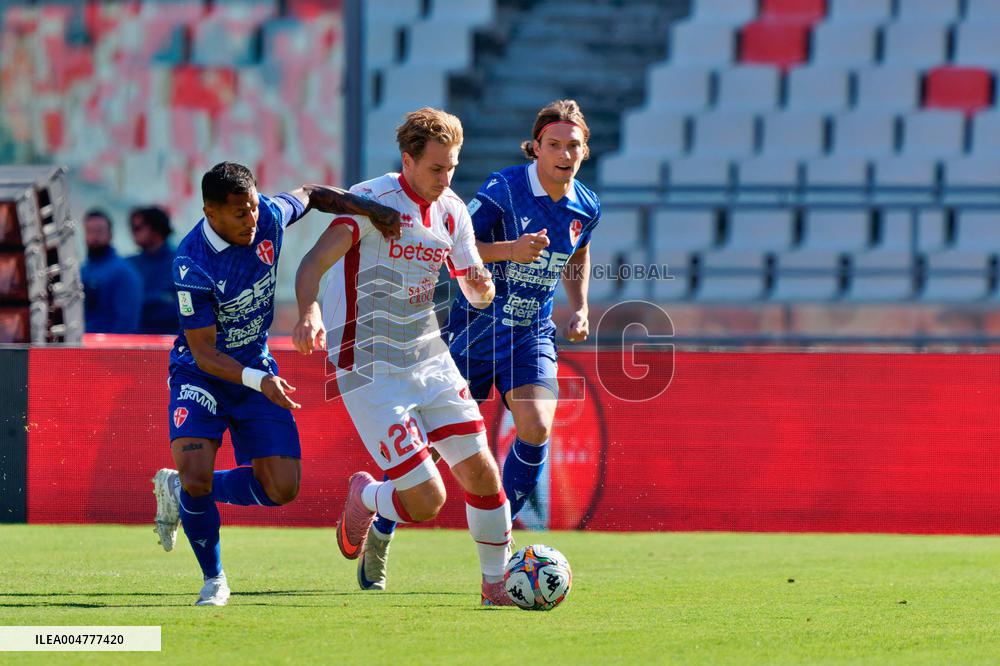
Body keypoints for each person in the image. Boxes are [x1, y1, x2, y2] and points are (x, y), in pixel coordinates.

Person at [360, 100, 600, 591]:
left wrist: (580, 305)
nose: (564, 153)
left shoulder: (586, 205)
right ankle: (381, 526)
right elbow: (450, 242)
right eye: (554, 144)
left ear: (585, 150)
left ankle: (502, 550)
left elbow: (578, 251)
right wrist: (508, 251)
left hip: (529, 332)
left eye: (573, 145)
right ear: (536, 147)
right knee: (425, 452)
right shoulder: (504, 189)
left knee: (534, 425)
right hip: (472, 330)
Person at [292, 108, 515, 606]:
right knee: (426, 500)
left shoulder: (454, 211)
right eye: (436, 169)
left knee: (482, 471)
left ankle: (495, 584)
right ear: (407, 160)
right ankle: (366, 495)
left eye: (452, 167)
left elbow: (475, 286)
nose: (445, 178)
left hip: (428, 355)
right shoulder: (372, 202)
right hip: (367, 364)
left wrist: (481, 287)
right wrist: (309, 311)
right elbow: (314, 263)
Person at [151, 161, 400, 606]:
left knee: (281, 489)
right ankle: (214, 580)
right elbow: (206, 352)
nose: (251, 220)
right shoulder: (192, 263)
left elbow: (312, 193)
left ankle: (178, 490)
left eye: (252, 207)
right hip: (202, 373)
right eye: (239, 213)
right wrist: (259, 380)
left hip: (256, 369)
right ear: (210, 211)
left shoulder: (268, 214)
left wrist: (368, 209)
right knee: (196, 473)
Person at [81, 208, 143, 333]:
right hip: (83, 346)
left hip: (107, 348)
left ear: (110, 234)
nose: (94, 237)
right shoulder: (83, 270)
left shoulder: (123, 273)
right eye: (90, 231)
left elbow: (127, 322)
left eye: (99, 231)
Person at [128, 206, 179, 334]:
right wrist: (160, 298)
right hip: (137, 341)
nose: (133, 233)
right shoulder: (129, 264)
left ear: (155, 228)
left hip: (171, 341)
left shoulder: (182, 263)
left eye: (137, 228)